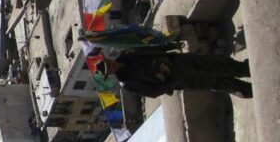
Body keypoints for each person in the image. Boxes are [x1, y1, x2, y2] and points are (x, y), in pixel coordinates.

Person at [97, 49, 252, 99]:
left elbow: (150, 50)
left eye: (108, 63)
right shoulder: (127, 82)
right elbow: (152, 92)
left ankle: (247, 69)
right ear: (109, 73)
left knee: (215, 63)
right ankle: (248, 90)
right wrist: (172, 83)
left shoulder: (126, 55)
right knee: (215, 81)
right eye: (108, 68)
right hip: (177, 78)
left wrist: (169, 48)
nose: (111, 66)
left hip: (177, 60)